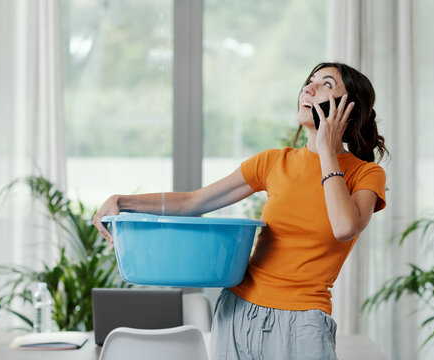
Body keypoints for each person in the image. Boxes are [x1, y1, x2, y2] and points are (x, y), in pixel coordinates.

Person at [92, 62, 388, 359]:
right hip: (237, 311)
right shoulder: (274, 162)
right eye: (309, 81)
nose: (308, 88)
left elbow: (344, 227)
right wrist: (122, 200)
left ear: (348, 109)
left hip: (303, 322)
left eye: (326, 84)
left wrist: (327, 150)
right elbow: (193, 202)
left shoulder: (366, 174)